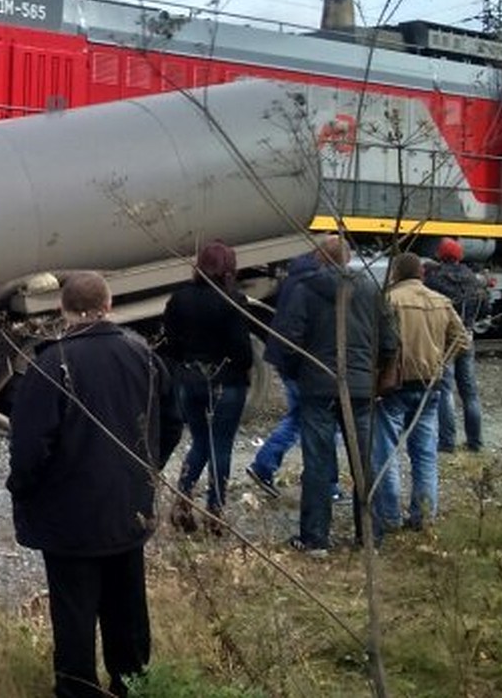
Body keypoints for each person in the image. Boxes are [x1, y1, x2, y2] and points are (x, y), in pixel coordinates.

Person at [8, 271, 181, 698]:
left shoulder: (51, 364)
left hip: (70, 517)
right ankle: (133, 686)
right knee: (127, 610)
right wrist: (144, 469)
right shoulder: (143, 355)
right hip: (127, 508)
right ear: (109, 306)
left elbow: (29, 446)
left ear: (63, 310)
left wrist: (24, 488)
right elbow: (173, 421)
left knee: (74, 616)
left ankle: (78, 689)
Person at [279, 237, 397, 554]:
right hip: (359, 389)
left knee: (318, 462)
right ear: (347, 259)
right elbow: (389, 341)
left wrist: (297, 374)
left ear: (320, 258)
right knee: (364, 462)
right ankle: (370, 537)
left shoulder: (305, 290)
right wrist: (373, 373)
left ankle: (315, 538)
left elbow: (289, 341)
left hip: (317, 387)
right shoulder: (371, 291)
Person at [162, 241, 255, 534]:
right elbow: (243, 351)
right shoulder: (233, 300)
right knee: (221, 446)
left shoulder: (179, 298)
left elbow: (170, 343)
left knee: (200, 441)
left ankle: (183, 501)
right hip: (225, 382)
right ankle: (215, 510)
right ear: (229, 268)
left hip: (189, 380)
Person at [374, 253, 469, 536]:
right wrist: (440, 362)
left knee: (386, 454)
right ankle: (424, 517)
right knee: (425, 453)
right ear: (421, 274)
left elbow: (377, 342)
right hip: (430, 385)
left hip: (394, 385)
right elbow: (462, 339)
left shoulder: (389, 300)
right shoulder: (440, 301)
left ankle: (389, 518)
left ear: (396, 274)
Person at [246, 245, 345, 502]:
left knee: (301, 417)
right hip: (306, 365)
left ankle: (268, 466)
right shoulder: (315, 284)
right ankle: (324, 482)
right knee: (315, 422)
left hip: (291, 361)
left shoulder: (296, 276)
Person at [424, 237, 487, 452]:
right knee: (469, 393)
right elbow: (485, 307)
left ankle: (447, 443)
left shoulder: (433, 279)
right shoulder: (473, 280)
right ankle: (475, 442)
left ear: (440, 255)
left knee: (445, 391)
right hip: (467, 338)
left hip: (444, 341)